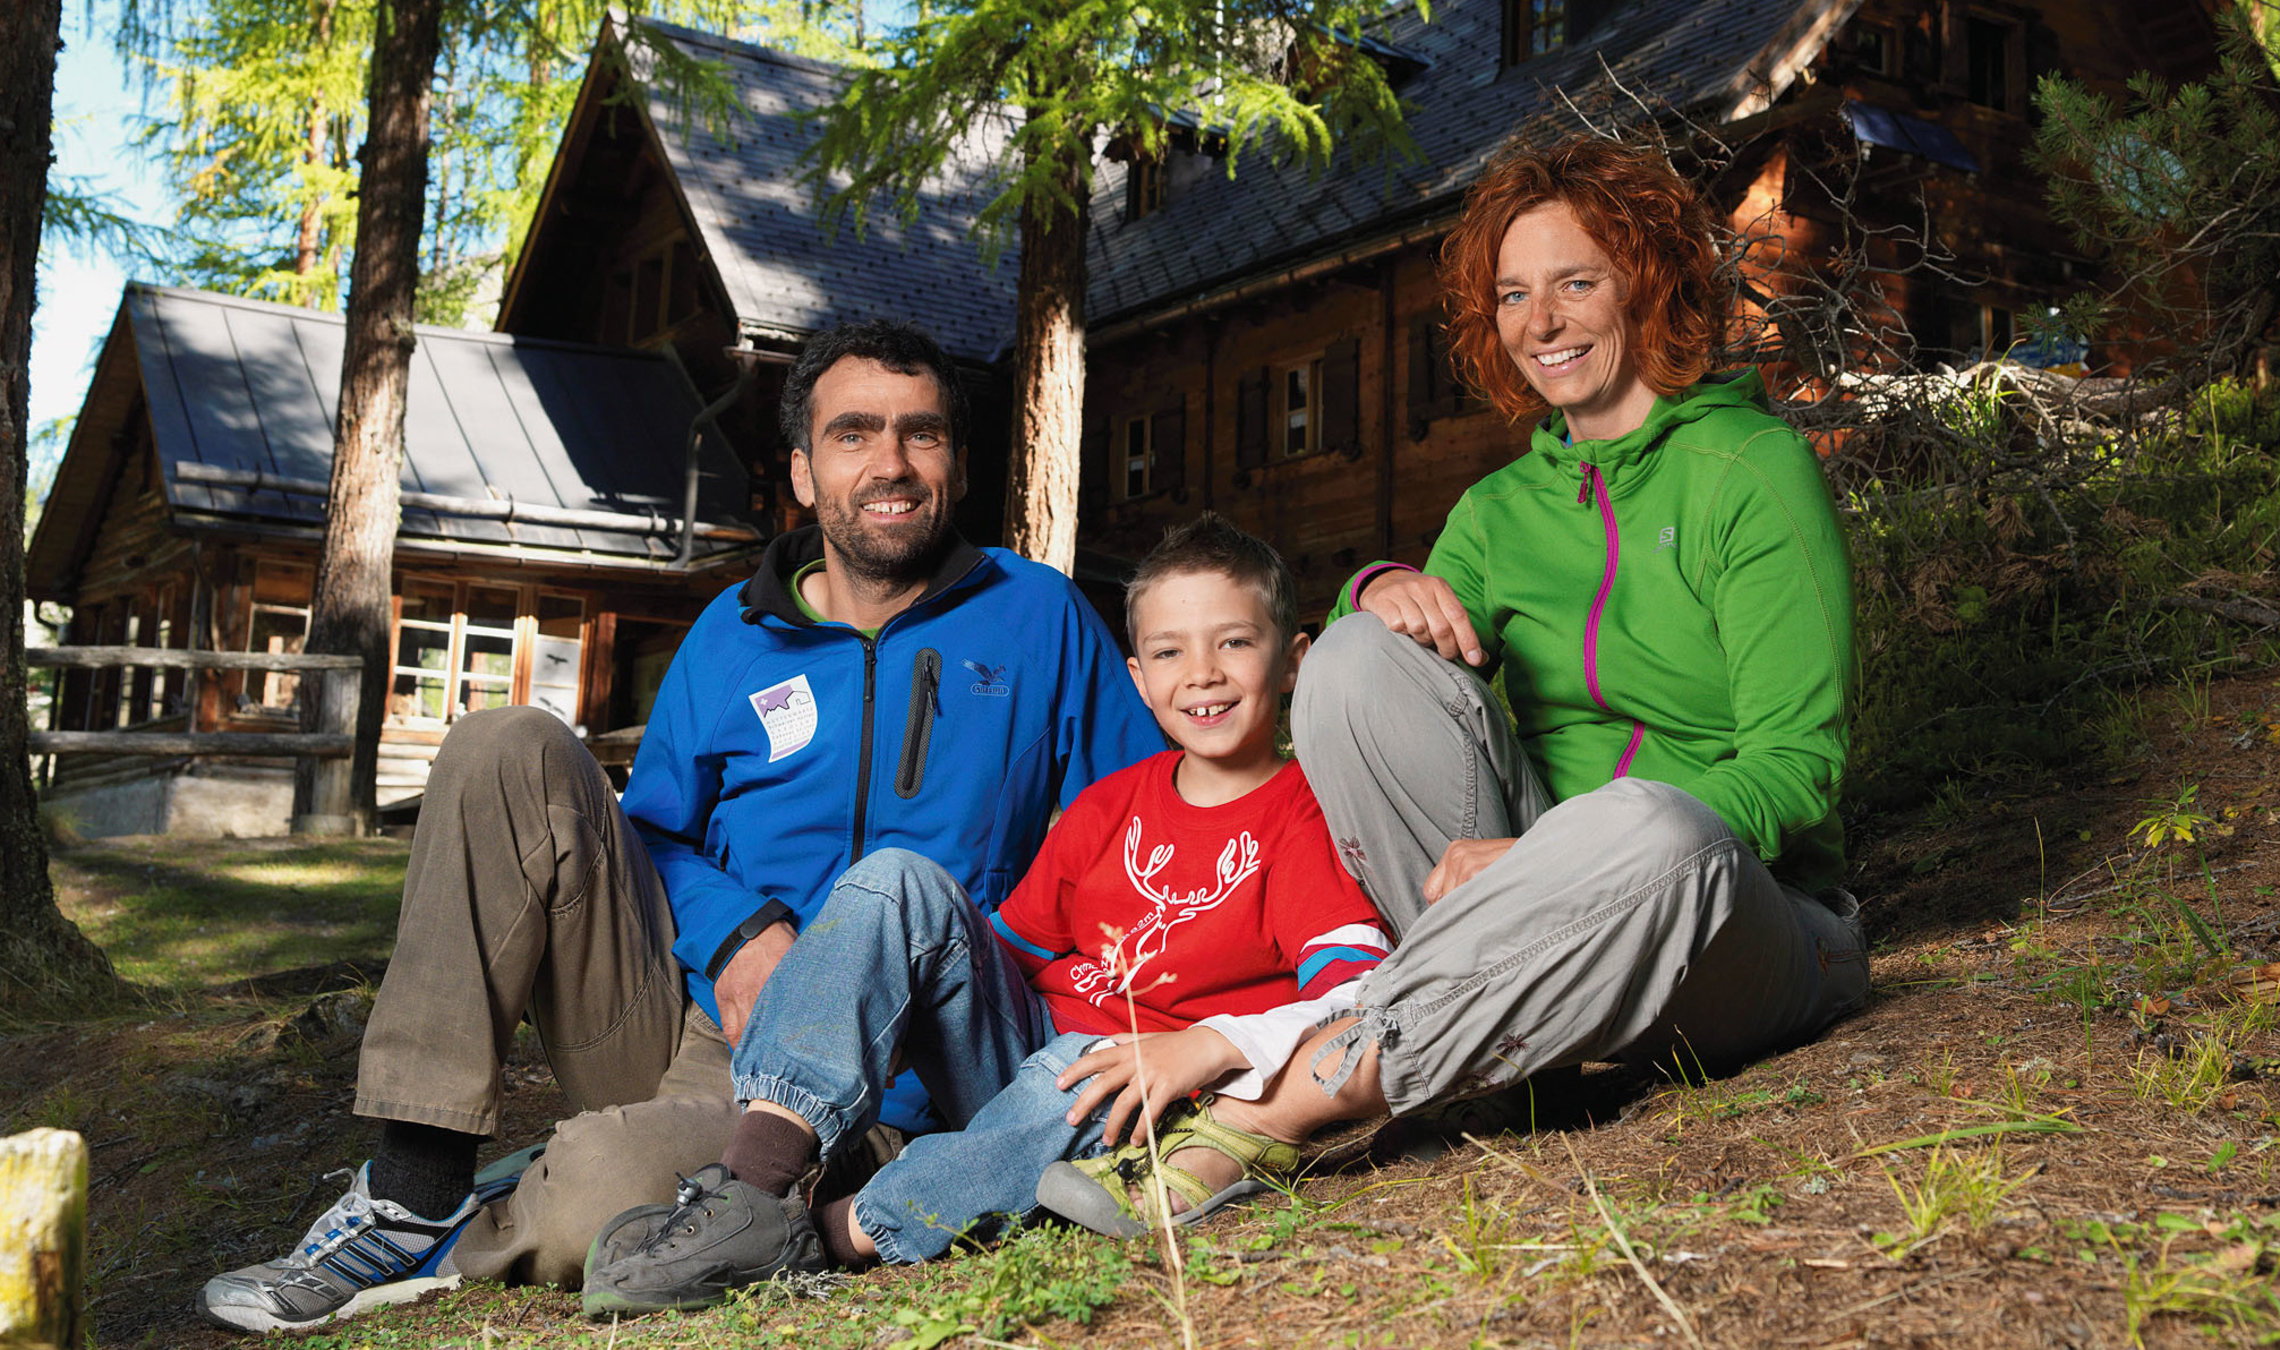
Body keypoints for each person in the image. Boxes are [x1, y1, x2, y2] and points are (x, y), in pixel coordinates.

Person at [196, 321, 1164, 1333]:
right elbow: (648, 834)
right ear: (801, 470)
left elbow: (1151, 825)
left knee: (595, 1203)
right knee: (504, 743)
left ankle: (588, 1205)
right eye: (854, 434)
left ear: (956, 466)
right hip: (696, 1028)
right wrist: (738, 932)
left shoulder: (1038, 617)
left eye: (922, 435)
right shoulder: (731, 635)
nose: (891, 463)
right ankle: (413, 1185)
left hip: (898, 1082)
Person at [1142, 137, 1871, 1170]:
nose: (1541, 323)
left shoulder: (1751, 472)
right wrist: (1377, 587)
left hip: (1740, 911)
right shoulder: (1496, 510)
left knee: (1656, 827)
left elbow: (1799, 768)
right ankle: (1511, 1068)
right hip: (1536, 917)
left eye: (1576, 282)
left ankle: (1289, 1103)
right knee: (1349, 658)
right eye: (1514, 294)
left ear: (1648, 286)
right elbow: (1398, 692)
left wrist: (1561, 857)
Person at [576, 514, 1394, 1315]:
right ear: (1137, 678)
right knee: (896, 877)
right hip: (1024, 1054)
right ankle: (749, 1190)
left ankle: (831, 1235)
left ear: (1293, 661)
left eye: (1235, 643)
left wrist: (1209, 1044)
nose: (1203, 673)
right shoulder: (1111, 806)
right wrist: (883, 997)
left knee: (1063, 1074)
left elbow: (1352, 997)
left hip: (1141, 1095)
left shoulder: (1308, 815)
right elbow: (993, 951)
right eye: (1170, 652)